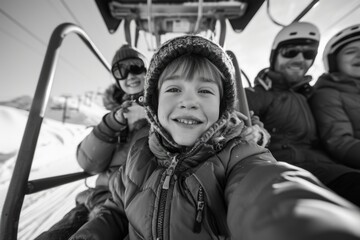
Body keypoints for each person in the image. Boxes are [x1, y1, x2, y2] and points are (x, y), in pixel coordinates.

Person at [70, 35, 360, 240]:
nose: (189, 101)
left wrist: (304, 222)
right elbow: (116, 204)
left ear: (223, 106)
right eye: (174, 90)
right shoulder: (139, 154)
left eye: (205, 91)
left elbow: (266, 188)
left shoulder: (236, 156)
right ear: (154, 102)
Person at [35, 44, 268, 240]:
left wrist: (255, 132)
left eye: (136, 67)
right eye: (121, 71)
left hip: (143, 201)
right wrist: (114, 122)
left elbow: (238, 127)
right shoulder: (117, 119)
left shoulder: (173, 117)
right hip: (106, 196)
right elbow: (88, 163)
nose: (130, 75)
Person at [245, 21, 360, 207]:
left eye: (308, 54)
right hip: (292, 172)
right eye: (290, 52)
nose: (300, 59)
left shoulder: (310, 96)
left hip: (332, 169)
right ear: (274, 57)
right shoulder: (257, 94)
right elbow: (239, 119)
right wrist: (255, 131)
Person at [310, 24, 360, 170]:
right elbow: (340, 143)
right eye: (351, 51)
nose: (359, 55)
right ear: (333, 61)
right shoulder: (327, 94)